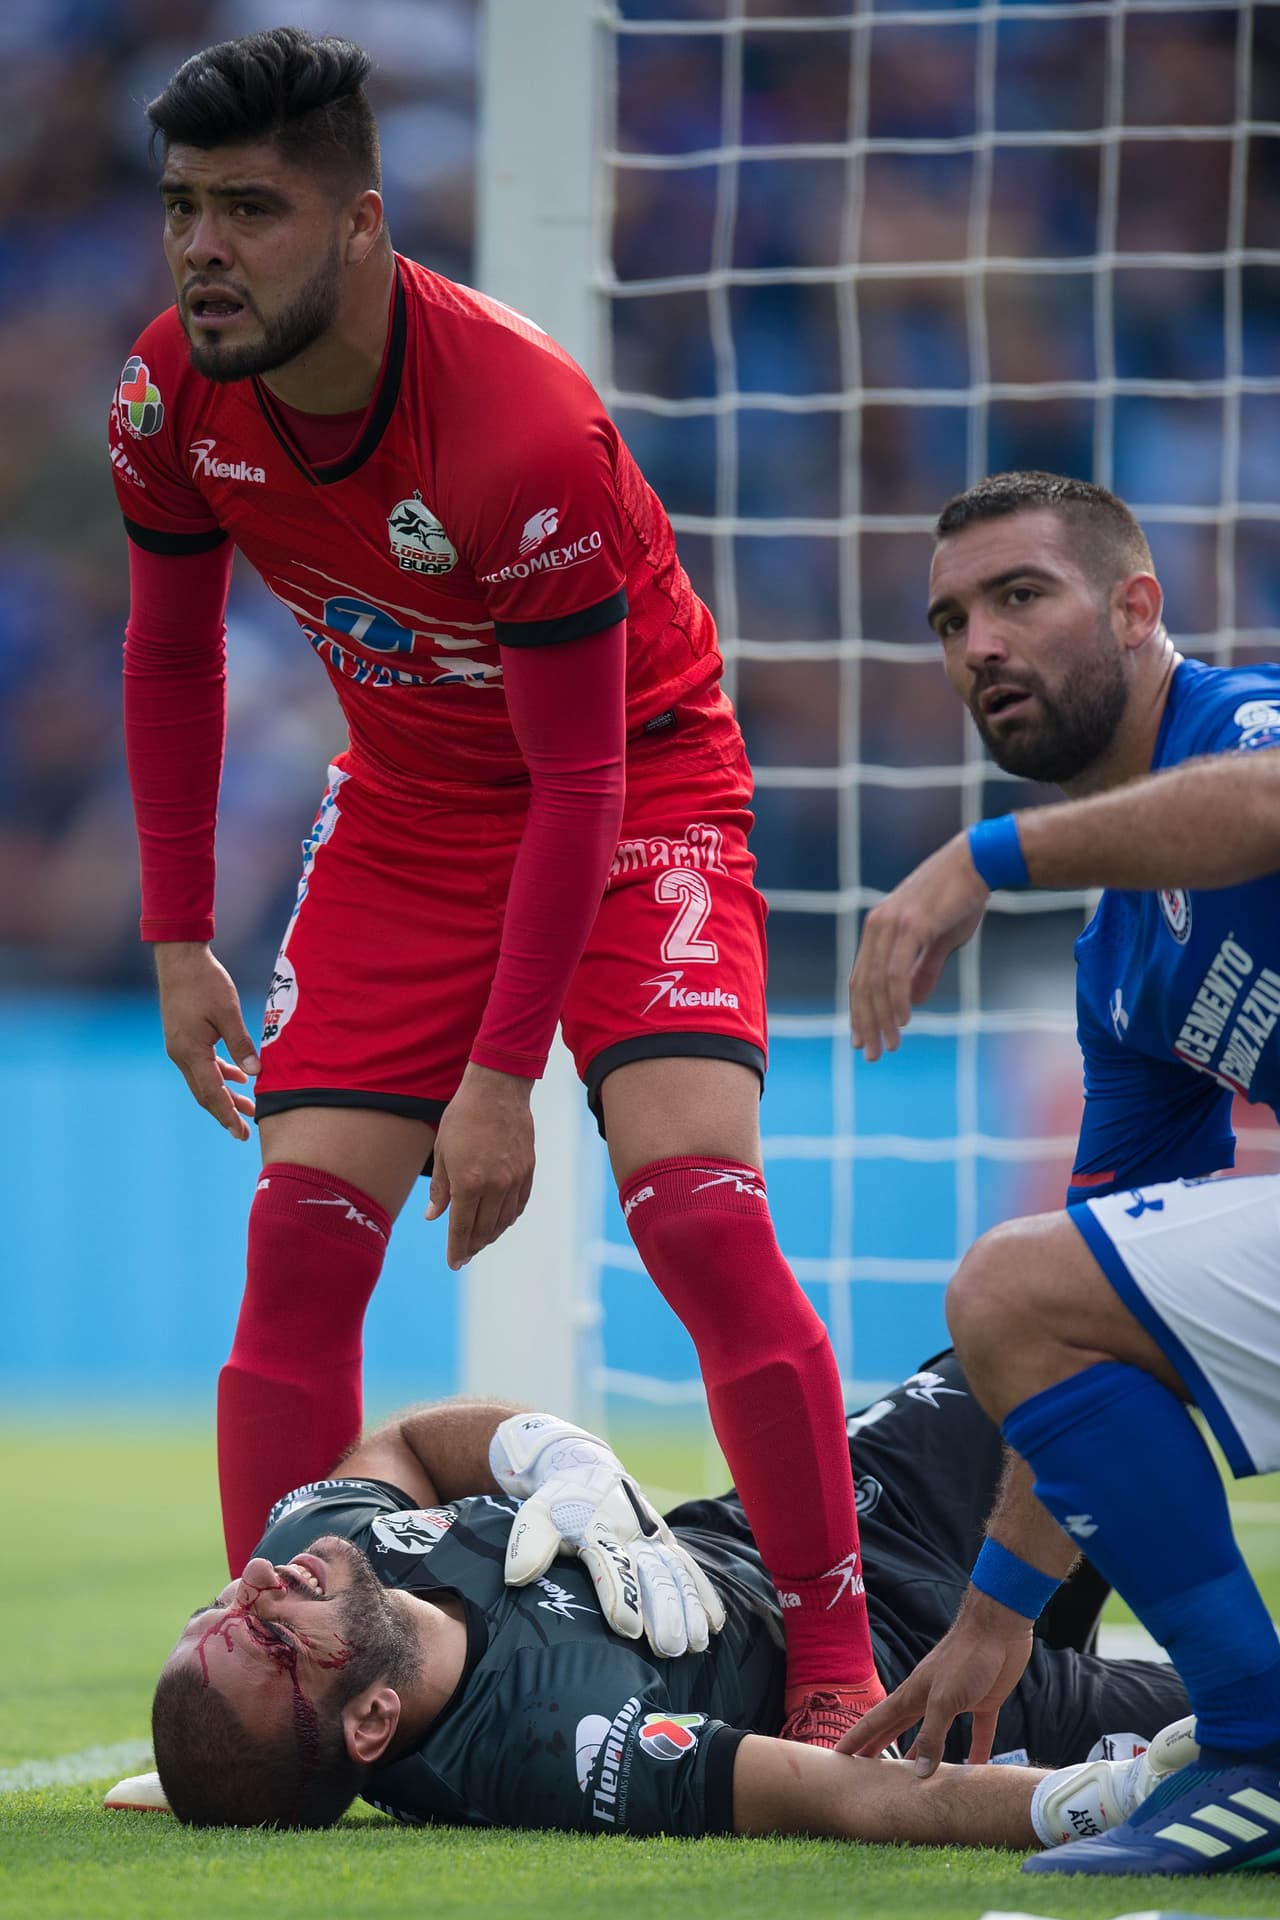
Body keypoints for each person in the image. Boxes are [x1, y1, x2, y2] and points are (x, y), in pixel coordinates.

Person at [109, 26, 876, 1744]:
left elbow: (587, 778)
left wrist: (502, 1072)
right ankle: (285, 1690)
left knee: (695, 1212)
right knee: (299, 1247)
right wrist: (176, 940)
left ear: (364, 225)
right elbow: (170, 663)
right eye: (181, 209)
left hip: (637, 784)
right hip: (409, 808)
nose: (202, 248)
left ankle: (837, 1664)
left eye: (250, 209)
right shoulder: (171, 396)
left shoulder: (517, 433)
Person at [844, 471, 1280, 1876]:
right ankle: (1254, 1742)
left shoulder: (1247, 728)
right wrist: (999, 1608)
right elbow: (1087, 1314)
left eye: (1020, 597)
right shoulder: (1121, 966)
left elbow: (1267, 807)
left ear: (1138, 608)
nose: (979, 643)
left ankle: (1260, 1744)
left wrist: (987, 855)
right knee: (1026, 1283)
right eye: (952, 619)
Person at [109, 1351, 1190, 1837]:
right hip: (911, 1696)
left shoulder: (320, 1542)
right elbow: (837, 1794)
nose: (253, 1580)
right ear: (373, 1720)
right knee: (1243, 1737)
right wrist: (1086, 1803)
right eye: (266, 1636)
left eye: (217, 1607)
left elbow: (400, 1439)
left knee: (1061, 1340)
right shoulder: (555, 1750)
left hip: (833, 1534)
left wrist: (552, 1451)